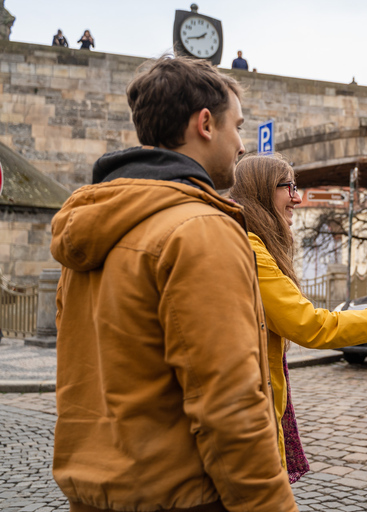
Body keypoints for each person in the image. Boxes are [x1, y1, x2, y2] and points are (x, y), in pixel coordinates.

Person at [50, 57, 296, 512]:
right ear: (205, 124)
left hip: (95, 490)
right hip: (180, 493)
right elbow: (229, 403)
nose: (242, 144)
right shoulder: (201, 229)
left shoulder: (94, 225)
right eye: (237, 126)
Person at [229, 154, 367, 483]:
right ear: (263, 191)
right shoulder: (251, 248)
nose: (297, 197)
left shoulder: (245, 240)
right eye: (288, 187)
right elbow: (311, 326)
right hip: (251, 416)